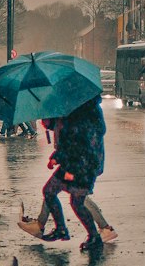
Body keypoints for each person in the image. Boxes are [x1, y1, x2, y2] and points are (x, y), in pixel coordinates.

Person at [40, 97, 107, 251]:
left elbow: (74, 140)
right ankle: (65, 230)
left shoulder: (80, 112)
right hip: (79, 162)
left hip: (81, 165)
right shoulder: (83, 109)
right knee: (52, 192)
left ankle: (92, 236)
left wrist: (57, 157)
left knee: (74, 201)